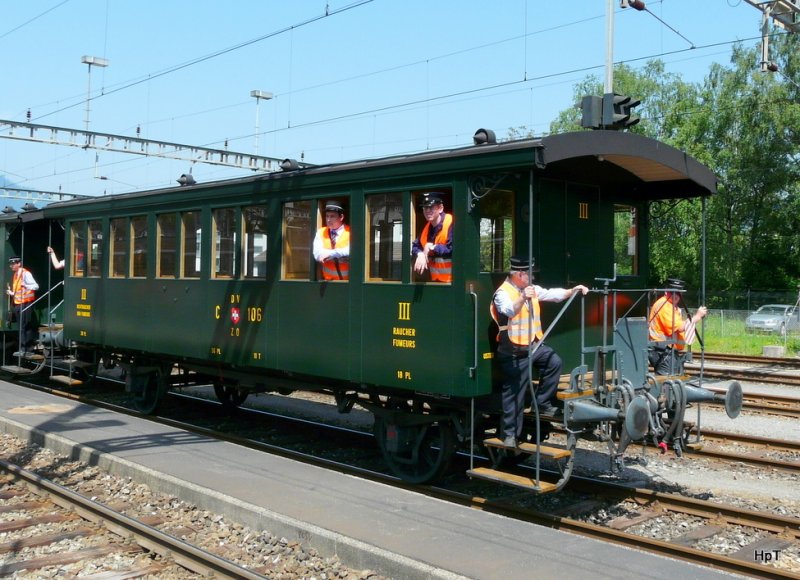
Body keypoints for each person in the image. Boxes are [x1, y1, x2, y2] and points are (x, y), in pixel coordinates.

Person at [490, 256, 589, 448]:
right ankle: (510, 434)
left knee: (554, 362)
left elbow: (552, 294)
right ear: (519, 274)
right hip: (513, 350)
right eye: (529, 274)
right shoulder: (502, 293)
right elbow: (509, 311)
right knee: (514, 391)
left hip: (534, 346)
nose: (532, 277)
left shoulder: (531, 289)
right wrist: (522, 298)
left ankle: (542, 403)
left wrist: (572, 291)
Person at [648, 278, 707, 375]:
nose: (676, 296)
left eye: (678, 293)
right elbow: (680, 327)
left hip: (667, 350)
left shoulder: (671, 306)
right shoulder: (664, 305)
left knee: (673, 378)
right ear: (666, 292)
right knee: (666, 380)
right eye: (672, 292)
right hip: (663, 350)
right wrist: (697, 316)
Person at [412, 192, 453, 283]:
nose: (427, 210)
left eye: (431, 207)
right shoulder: (426, 229)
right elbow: (415, 246)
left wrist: (433, 247)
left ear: (440, 208)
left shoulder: (451, 223)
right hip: (435, 282)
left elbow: (453, 249)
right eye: (425, 207)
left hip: (453, 283)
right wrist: (420, 254)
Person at [6, 256, 39, 352]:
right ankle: (23, 348)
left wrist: (25, 285)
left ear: (19, 264)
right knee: (21, 326)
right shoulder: (15, 275)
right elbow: (19, 290)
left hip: (26, 303)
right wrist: (12, 293)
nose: (11, 266)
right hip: (18, 304)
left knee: (25, 326)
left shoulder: (25, 273)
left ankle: (27, 348)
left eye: (13, 264)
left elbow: (36, 286)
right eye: (11, 264)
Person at [313, 201, 350, 281]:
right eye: (327, 216)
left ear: (341, 217)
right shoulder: (321, 232)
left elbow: (351, 250)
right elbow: (317, 254)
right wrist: (341, 255)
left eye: (332, 216)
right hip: (328, 283)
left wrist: (331, 254)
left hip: (348, 283)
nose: (328, 220)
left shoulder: (350, 232)